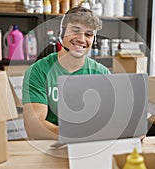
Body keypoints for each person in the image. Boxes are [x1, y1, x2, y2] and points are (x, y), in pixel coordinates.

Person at [22, 7, 111, 140]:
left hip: (91, 146)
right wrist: (77, 135)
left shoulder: (103, 73)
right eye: (75, 31)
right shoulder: (38, 71)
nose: (81, 39)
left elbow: (112, 118)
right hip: (50, 148)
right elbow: (34, 128)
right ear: (62, 33)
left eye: (88, 34)